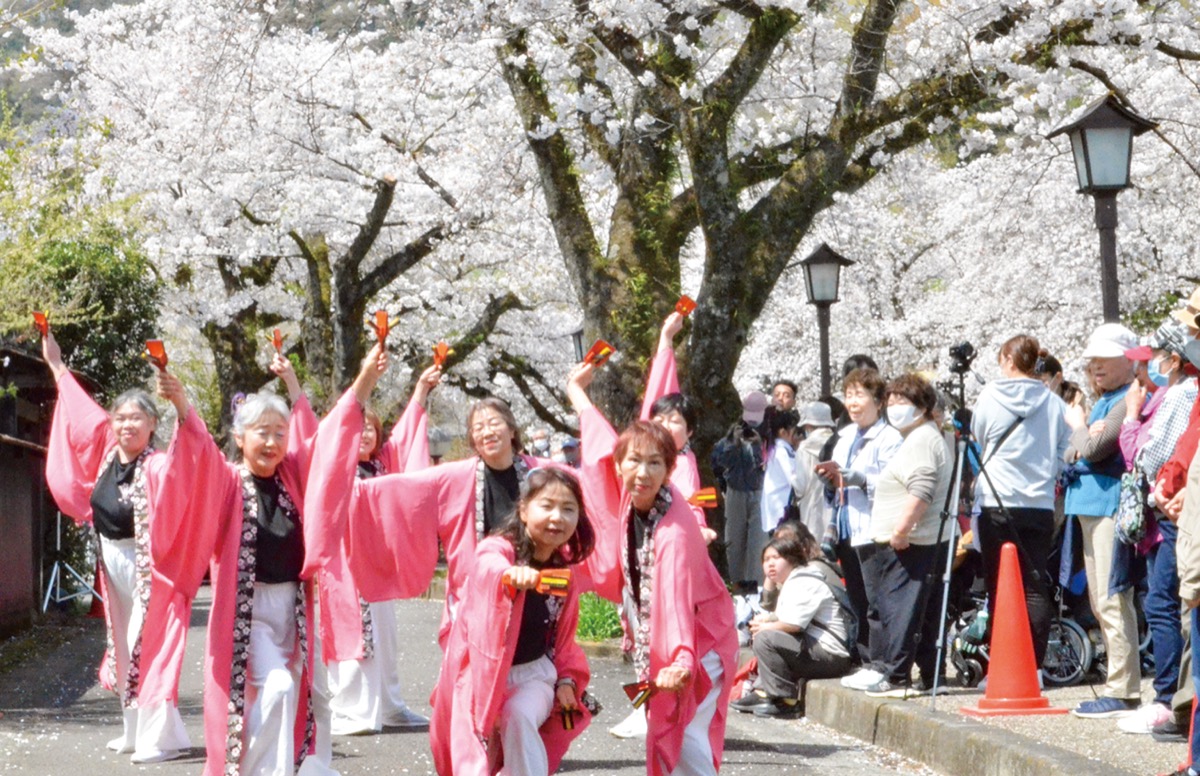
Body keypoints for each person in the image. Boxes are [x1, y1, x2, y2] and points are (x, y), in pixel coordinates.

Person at [152, 349, 351, 776]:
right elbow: (200, 451)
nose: (273, 443)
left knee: (308, 694)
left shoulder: (292, 476)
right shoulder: (228, 481)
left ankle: (285, 767)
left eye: (281, 434)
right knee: (278, 689)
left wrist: (365, 375)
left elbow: (327, 441)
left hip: (295, 609)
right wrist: (183, 404)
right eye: (262, 432)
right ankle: (254, 770)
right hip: (249, 613)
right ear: (240, 437)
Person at [302, 355, 558, 651]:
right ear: (472, 439)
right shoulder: (456, 475)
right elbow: (403, 489)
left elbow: (584, 487)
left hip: (537, 583)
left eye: (494, 423)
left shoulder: (543, 472)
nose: (487, 432)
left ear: (512, 430)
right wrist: (345, 492)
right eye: (478, 427)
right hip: (478, 591)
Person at [568, 365, 737, 776]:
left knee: (685, 738)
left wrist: (679, 659)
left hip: (701, 642)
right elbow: (597, 446)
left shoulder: (674, 532)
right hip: (665, 641)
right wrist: (576, 393)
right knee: (667, 732)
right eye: (634, 461)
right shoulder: (632, 493)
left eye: (655, 464)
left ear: (670, 469)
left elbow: (678, 602)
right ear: (620, 465)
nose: (642, 473)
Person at [42, 326, 191, 764]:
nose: (127, 424)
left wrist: (180, 401)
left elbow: (192, 450)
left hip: (151, 566)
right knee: (123, 645)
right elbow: (80, 412)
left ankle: (155, 737)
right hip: (112, 562)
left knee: (143, 641)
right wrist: (55, 365)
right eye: (121, 417)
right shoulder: (108, 453)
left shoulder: (160, 464)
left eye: (137, 418)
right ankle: (132, 730)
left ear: (152, 424)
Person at [429, 467, 596, 775]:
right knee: (474, 762)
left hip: (534, 678)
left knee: (518, 715)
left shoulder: (565, 575)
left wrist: (567, 680)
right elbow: (486, 563)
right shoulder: (501, 550)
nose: (557, 517)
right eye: (546, 506)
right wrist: (507, 575)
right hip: (483, 678)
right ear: (523, 509)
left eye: (568, 509)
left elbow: (564, 641)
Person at [322, 367, 442, 736]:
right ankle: (351, 710)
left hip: (377, 562)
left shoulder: (382, 464)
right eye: (357, 428)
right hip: (344, 565)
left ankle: (389, 705)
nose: (364, 434)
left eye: (370, 428)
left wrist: (421, 388)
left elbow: (406, 438)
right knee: (354, 636)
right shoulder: (331, 466)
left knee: (385, 639)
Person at [1115, 320, 1199, 735]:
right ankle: (1171, 698)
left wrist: (1130, 421)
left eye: (1150, 361)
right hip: (1165, 513)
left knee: (1163, 604)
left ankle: (1167, 698)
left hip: (1168, 515)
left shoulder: (1181, 394)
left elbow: (1145, 457)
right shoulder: (1173, 394)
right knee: (1164, 603)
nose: (1143, 371)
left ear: (1174, 359)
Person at [970, 334, 1070, 671]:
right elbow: (1064, 451)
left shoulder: (989, 396)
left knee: (1000, 585)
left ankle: (1002, 668)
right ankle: (1034, 668)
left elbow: (979, 437)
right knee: (1034, 585)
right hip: (1039, 504)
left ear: (1008, 361)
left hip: (996, 498)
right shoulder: (1054, 403)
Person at [849, 373, 953, 696]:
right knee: (917, 609)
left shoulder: (922, 439)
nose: (894, 407)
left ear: (922, 407)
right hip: (920, 538)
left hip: (912, 540)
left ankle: (895, 676)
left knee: (900, 609)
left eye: (902, 401)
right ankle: (923, 674)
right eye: (891, 401)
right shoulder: (922, 436)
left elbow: (921, 490)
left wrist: (900, 529)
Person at [1064, 323, 1143, 718]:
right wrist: (1082, 438)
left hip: (1109, 505)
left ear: (1127, 359)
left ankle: (1124, 688)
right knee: (1099, 600)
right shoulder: (1106, 399)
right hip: (1089, 506)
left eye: (1104, 359)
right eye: (1092, 360)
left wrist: (1079, 427)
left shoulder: (1123, 398)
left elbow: (1092, 449)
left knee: (1112, 597)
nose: (1095, 366)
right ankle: (1120, 683)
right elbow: (1070, 454)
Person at [817, 368, 903, 670]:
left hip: (873, 529)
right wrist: (831, 480)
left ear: (878, 401)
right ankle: (866, 658)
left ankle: (881, 663)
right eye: (849, 395)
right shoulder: (844, 437)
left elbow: (895, 484)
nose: (852, 403)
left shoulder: (890, 437)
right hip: (845, 529)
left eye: (859, 395)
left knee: (875, 601)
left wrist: (861, 480)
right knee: (857, 599)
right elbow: (839, 478)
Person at [731, 528, 852, 718]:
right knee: (766, 634)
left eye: (776, 558)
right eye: (766, 560)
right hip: (816, 648)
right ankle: (765, 692)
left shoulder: (803, 580)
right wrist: (767, 621)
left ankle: (785, 700)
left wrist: (765, 626)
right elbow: (785, 618)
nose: (770, 564)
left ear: (792, 559)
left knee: (765, 637)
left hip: (832, 656)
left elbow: (794, 625)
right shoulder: (793, 580)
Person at [641, 312, 718, 544]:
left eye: (674, 421)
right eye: (660, 420)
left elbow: (692, 500)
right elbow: (660, 384)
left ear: (690, 431)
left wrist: (700, 527)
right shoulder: (640, 455)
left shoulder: (682, 463)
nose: (665, 427)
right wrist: (666, 337)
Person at [712, 390, 768, 588]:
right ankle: (736, 588)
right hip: (736, 492)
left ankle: (756, 589)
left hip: (762, 493)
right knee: (734, 543)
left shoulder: (770, 434)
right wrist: (734, 443)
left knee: (758, 544)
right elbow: (717, 461)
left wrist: (761, 445)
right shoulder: (732, 434)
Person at [790, 402, 836, 539]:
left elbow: (800, 486)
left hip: (812, 507)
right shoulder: (839, 443)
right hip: (834, 507)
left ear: (808, 425)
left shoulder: (805, 448)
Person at [759, 406, 800, 535]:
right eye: (793, 431)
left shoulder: (774, 448)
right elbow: (793, 478)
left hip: (774, 509)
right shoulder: (782, 451)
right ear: (783, 432)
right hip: (780, 510)